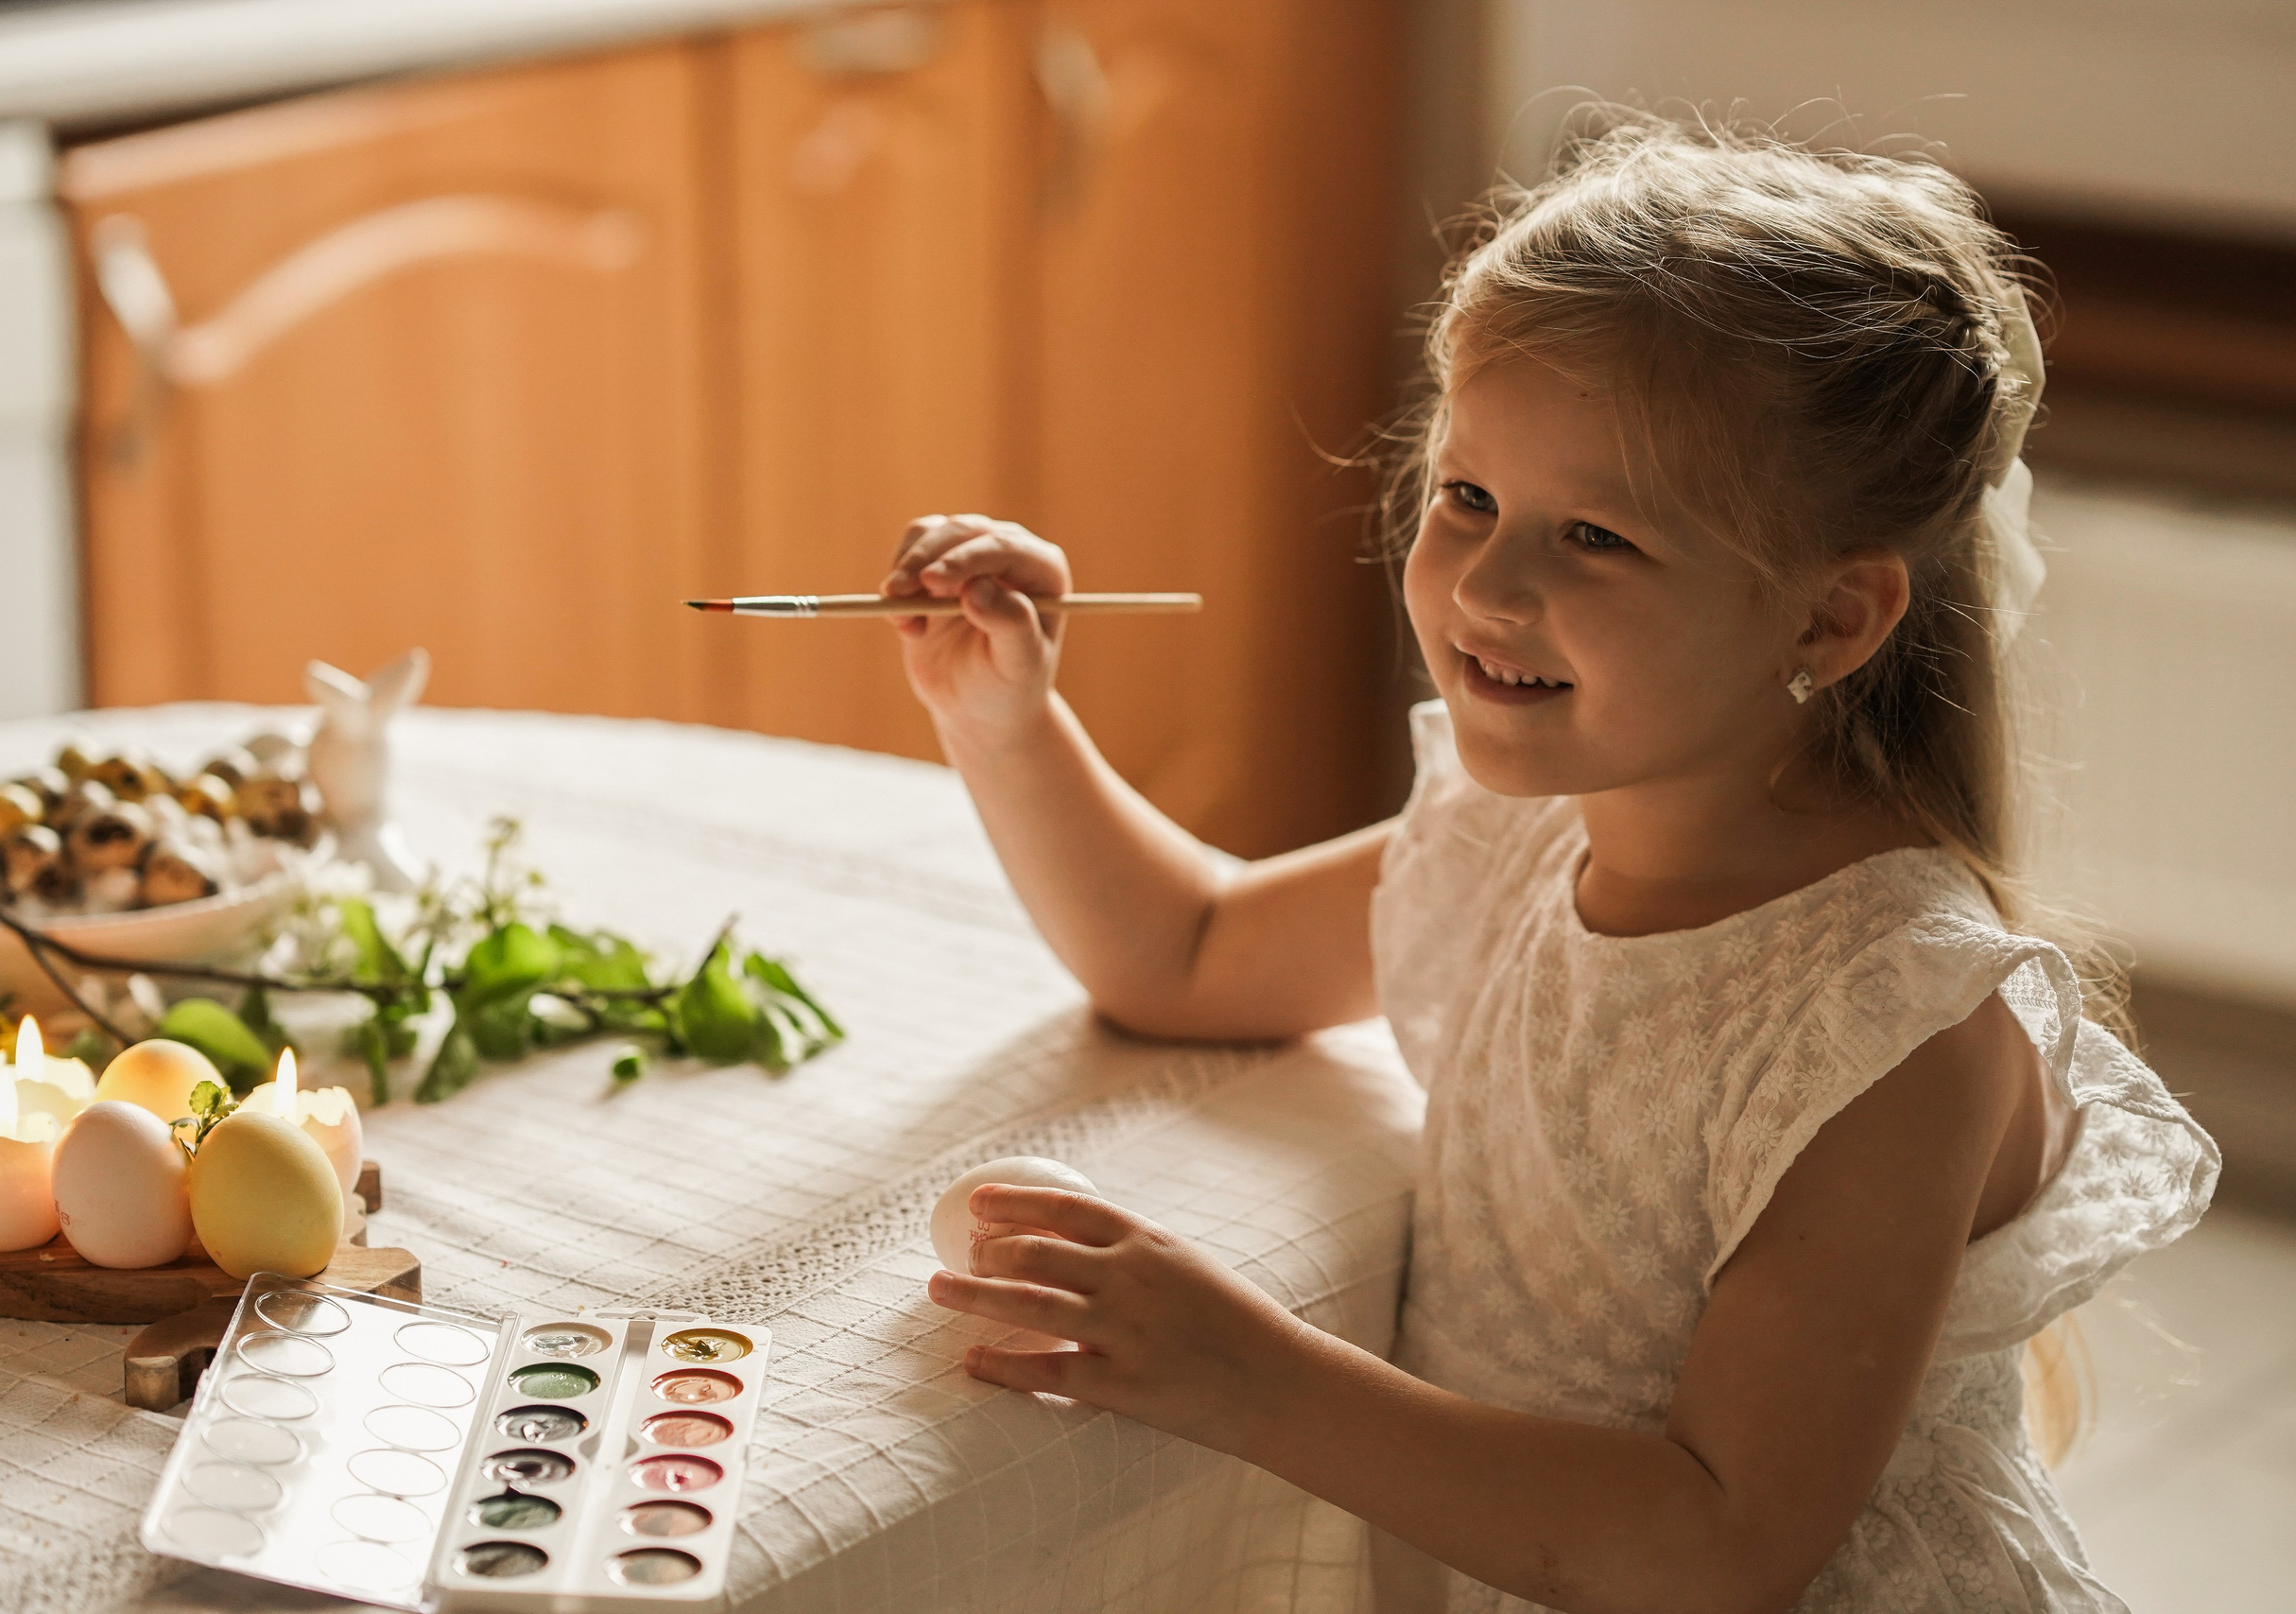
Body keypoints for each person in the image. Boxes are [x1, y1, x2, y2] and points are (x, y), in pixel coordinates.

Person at [892, 114, 2218, 1614]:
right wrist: (1004, 720)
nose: (1487, 584)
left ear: (1828, 620)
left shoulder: (1892, 1021)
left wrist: (1249, 1374)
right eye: (1467, 497)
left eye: (1593, 535)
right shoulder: (1520, 828)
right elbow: (1185, 955)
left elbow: (1718, 1547)